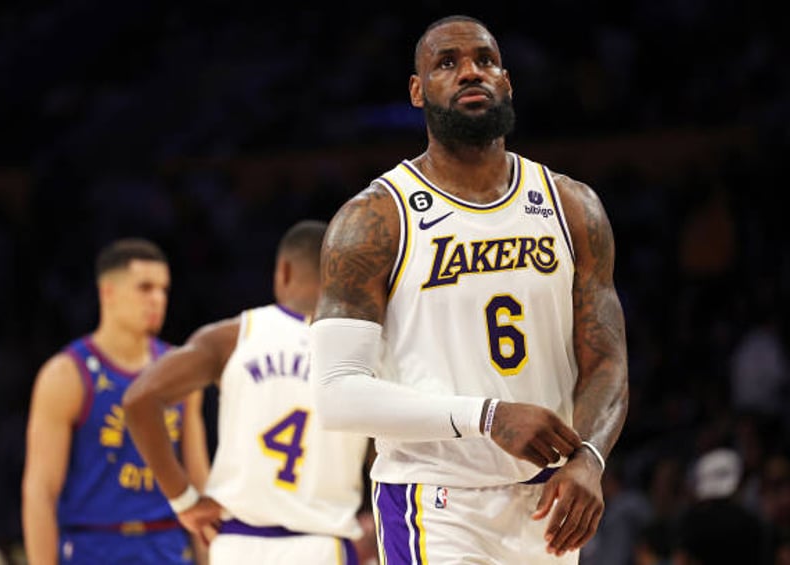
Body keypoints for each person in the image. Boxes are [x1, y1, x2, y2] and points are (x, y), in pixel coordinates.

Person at [308, 14, 629, 564]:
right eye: (447, 63)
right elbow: (336, 393)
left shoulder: (572, 207)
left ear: (506, 80)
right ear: (417, 90)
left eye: (484, 60)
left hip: (546, 506)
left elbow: (606, 362)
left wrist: (590, 458)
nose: (469, 73)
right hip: (434, 502)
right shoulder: (375, 219)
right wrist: (486, 416)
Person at [122, 220, 372, 565]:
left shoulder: (233, 337)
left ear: (282, 271)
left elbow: (138, 400)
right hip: (324, 545)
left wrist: (184, 501)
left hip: (238, 546)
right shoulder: (363, 350)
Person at [21, 238, 210, 564]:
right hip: (93, 546)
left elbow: (198, 483)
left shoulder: (182, 370)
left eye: (163, 290)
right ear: (108, 292)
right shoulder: (65, 375)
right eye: (145, 288)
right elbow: (40, 492)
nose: (157, 299)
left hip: (166, 546)